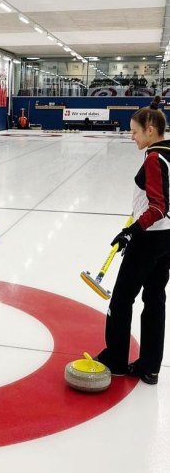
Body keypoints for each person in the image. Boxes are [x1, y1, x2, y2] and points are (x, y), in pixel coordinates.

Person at [95, 96, 170, 385]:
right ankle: (150, 366)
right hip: (166, 241)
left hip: (149, 239)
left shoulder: (154, 157)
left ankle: (115, 359)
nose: (132, 136)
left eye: (135, 131)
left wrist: (132, 231)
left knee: (122, 299)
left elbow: (157, 206)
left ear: (150, 129)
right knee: (154, 298)